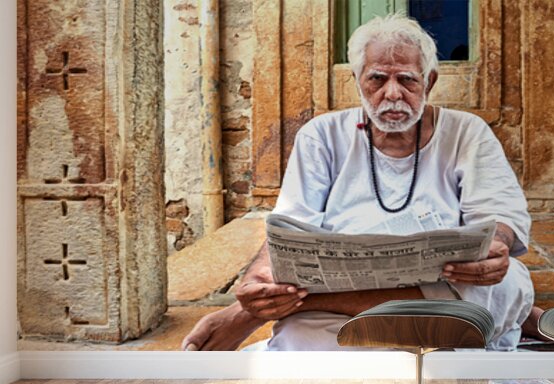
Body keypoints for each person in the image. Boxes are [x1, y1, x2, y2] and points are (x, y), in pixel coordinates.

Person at [182, 14, 535, 352]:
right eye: (378, 79)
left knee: (507, 282)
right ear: (357, 80)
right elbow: (293, 222)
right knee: (302, 341)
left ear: (429, 81)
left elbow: (497, 213)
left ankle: (306, 304)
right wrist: (259, 279)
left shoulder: (466, 131)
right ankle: (320, 306)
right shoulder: (321, 135)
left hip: (439, 281)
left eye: (408, 80)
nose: (393, 93)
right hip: (423, 304)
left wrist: (495, 247)